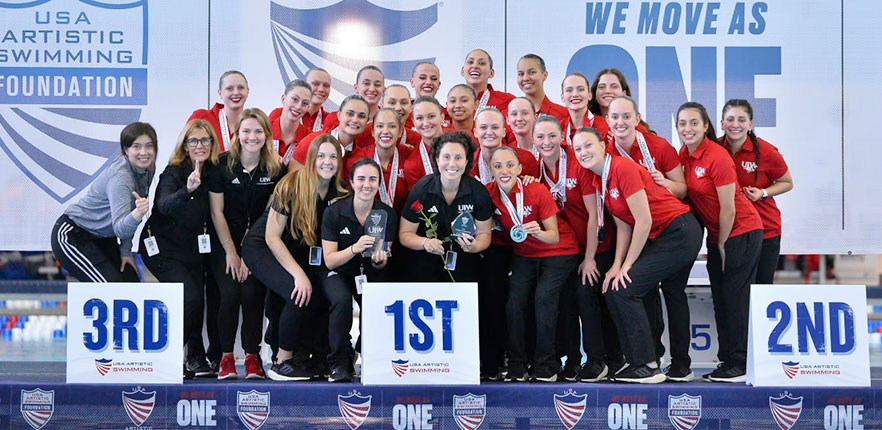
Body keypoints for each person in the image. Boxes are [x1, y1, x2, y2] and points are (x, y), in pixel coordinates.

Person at [575, 127, 702, 383]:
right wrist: (616, 266)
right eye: (578, 149)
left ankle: (648, 364)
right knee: (613, 287)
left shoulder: (623, 168)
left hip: (680, 232)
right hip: (664, 235)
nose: (583, 152)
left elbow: (643, 221)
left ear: (603, 145)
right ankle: (637, 361)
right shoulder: (600, 178)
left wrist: (627, 267)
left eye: (588, 145)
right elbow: (625, 224)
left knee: (624, 288)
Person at [241, 135, 345, 381]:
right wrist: (299, 275)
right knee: (299, 293)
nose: (327, 162)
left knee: (317, 295)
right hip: (263, 247)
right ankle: (282, 362)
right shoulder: (291, 185)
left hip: (295, 251)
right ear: (311, 159)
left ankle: (310, 357)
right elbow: (272, 238)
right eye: (321, 156)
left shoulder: (339, 193)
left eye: (333, 157)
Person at [677, 102, 763, 383]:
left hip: (741, 233)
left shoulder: (717, 155)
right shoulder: (684, 156)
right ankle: (729, 360)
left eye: (693, 123)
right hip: (719, 237)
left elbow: (729, 208)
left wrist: (723, 244)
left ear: (705, 126)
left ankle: (740, 363)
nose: (687, 129)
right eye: (682, 123)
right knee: (721, 301)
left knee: (735, 299)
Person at [530, 116, 620, 381]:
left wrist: (590, 258)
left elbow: (594, 215)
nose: (546, 142)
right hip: (564, 250)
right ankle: (572, 360)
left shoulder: (578, 165)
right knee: (566, 302)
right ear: (534, 141)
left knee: (585, 295)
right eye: (540, 137)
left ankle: (597, 360)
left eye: (552, 136)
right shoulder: (535, 170)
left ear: (563, 138)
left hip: (596, 246)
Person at [486, 147, 580, 382]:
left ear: (519, 169)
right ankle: (517, 364)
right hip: (525, 254)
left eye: (510, 165)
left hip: (558, 250)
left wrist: (537, 232)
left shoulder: (536, 190)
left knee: (543, 300)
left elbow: (554, 236)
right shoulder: (489, 194)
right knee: (514, 303)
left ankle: (546, 365)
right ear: (491, 170)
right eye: (498, 166)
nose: (504, 170)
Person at [207, 108, 286, 380]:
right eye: (246, 131)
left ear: (266, 134)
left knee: (253, 296)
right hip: (224, 243)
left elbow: (268, 216)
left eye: (258, 131)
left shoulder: (276, 168)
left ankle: (253, 357)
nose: (252, 137)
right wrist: (231, 253)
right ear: (236, 134)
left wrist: (250, 257)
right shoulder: (221, 165)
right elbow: (217, 212)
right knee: (229, 295)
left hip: (258, 245)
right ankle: (226, 357)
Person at [137, 120, 218, 376]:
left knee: (197, 300)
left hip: (193, 251)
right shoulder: (174, 171)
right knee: (190, 297)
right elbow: (163, 206)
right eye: (193, 141)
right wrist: (188, 189)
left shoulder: (215, 172)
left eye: (205, 140)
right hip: (161, 249)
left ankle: (194, 357)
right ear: (184, 145)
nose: (199, 146)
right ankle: (169, 357)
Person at [468, 107, 536, 380]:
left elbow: (535, 197)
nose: (489, 133)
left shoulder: (525, 159)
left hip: (522, 244)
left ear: (505, 130)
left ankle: (522, 359)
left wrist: (529, 182)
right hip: (488, 245)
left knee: (520, 303)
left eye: (495, 127)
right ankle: (491, 361)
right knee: (492, 302)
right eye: (483, 128)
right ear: (475, 132)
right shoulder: (468, 163)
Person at [321, 158, 397, 381]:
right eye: (361, 179)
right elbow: (330, 261)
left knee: (377, 301)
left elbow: (381, 261)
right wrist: (355, 248)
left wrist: (379, 259)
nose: (367, 185)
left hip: (368, 272)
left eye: (372, 179)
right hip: (340, 270)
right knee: (341, 301)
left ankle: (368, 352)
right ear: (351, 183)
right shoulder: (334, 212)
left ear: (378, 184)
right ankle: (339, 361)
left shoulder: (387, 214)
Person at [51, 122, 155, 283]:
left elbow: (130, 209)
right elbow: (121, 228)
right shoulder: (121, 177)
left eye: (149, 146)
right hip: (74, 235)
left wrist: (126, 253)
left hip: (103, 238)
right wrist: (137, 214)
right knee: (110, 288)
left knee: (131, 283)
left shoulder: (147, 167)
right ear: (126, 151)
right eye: (137, 147)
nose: (144, 152)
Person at [400, 131, 493, 282]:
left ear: (467, 161)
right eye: (446, 157)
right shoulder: (422, 189)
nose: (452, 164)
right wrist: (425, 243)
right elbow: (405, 235)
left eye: (458, 158)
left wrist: (476, 246)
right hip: (425, 262)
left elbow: (485, 234)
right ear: (437, 159)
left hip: (464, 261)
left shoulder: (478, 192)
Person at [719, 99, 793, 284]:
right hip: (732, 231)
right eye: (730, 119)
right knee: (734, 291)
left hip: (766, 230)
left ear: (750, 124)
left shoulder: (766, 152)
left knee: (761, 291)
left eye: (742, 120)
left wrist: (763, 193)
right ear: (721, 123)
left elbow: (787, 182)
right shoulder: (715, 150)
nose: (735, 125)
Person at [347, 109, 409, 212]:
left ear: (400, 132)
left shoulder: (409, 156)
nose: (385, 131)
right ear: (372, 131)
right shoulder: (358, 160)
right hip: (365, 222)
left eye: (392, 126)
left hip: (404, 223)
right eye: (380, 126)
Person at [290, 95, 371, 171]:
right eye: (350, 114)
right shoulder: (313, 140)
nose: (355, 120)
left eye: (361, 116)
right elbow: (293, 177)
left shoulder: (359, 155)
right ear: (339, 115)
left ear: (367, 121)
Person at [189, 70, 249, 152]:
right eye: (229, 89)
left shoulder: (255, 124)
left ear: (247, 92)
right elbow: (181, 154)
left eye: (241, 88)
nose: (236, 92)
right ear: (220, 93)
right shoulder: (201, 118)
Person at [402, 96, 446, 191]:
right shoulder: (412, 164)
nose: (425, 123)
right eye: (419, 118)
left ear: (442, 117)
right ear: (413, 122)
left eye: (431, 116)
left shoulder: (463, 142)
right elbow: (419, 201)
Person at [589, 69, 652, 133]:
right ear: (594, 93)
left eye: (614, 86)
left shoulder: (639, 130)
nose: (607, 91)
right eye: (602, 87)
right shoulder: (586, 123)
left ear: (624, 93)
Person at [323, 65, 384, 130]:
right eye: (366, 83)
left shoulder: (388, 121)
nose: (372, 89)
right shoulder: (334, 119)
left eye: (377, 85)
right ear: (356, 88)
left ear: (383, 90)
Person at [517, 54, 568, 124]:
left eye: (532, 72)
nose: (525, 78)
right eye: (521, 74)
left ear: (544, 75)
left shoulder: (562, 115)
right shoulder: (510, 115)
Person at [560, 73, 610, 145]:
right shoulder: (559, 128)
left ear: (589, 95)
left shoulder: (605, 126)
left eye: (581, 89)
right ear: (562, 97)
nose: (575, 94)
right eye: (569, 90)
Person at [461, 49, 515, 115]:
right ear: (462, 71)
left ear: (491, 73)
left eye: (482, 63)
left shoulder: (508, 101)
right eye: (470, 62)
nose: (475, 66)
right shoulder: (454, 102)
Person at [269, 80, 313, 161]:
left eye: (305, 103)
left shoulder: (310, 139)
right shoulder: (264, 130)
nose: (298, 106)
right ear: (283, 99)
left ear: (308, 107)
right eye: (295, 99)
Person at [380, 84, 421, 150]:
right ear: (382, 107)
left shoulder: (417, 140)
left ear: (411, 107)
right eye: (392, 103)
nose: (398, 108)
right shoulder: (366, 135)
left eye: (404, 103)